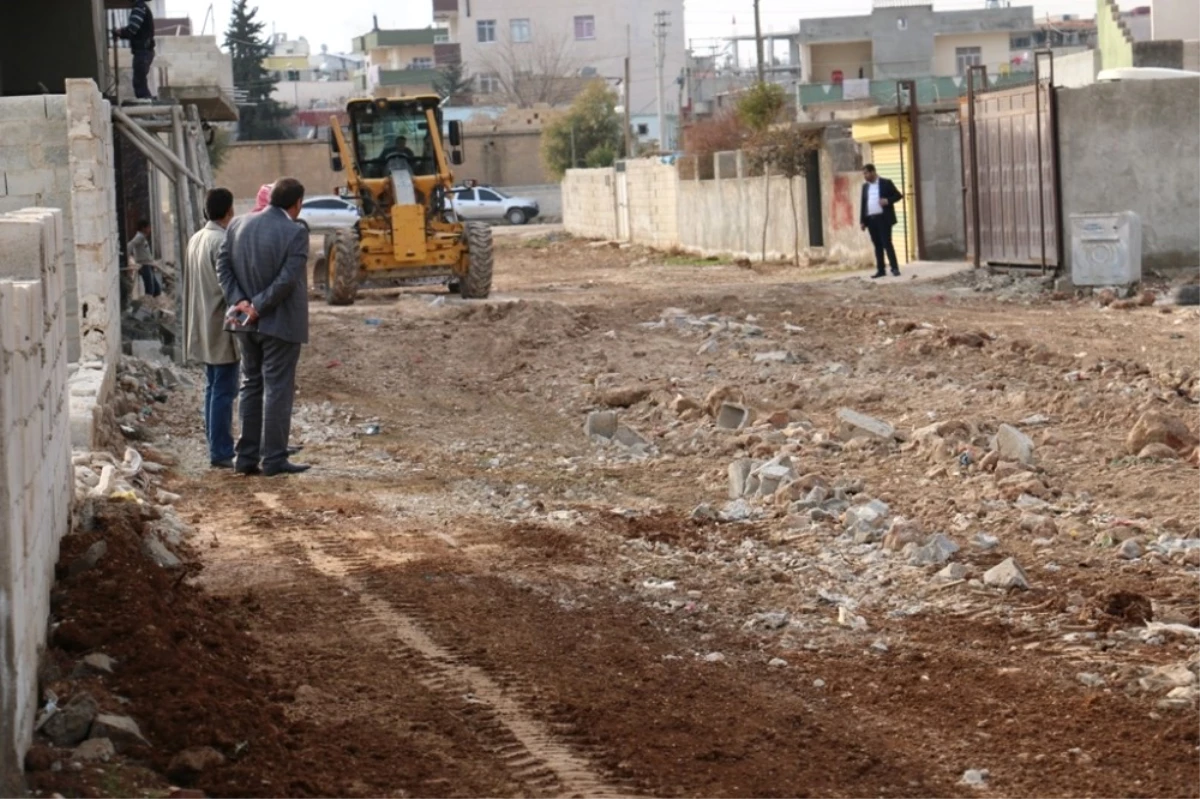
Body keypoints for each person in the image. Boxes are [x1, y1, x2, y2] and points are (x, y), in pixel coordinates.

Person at [216, 178, 311, 477]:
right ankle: (273, 460)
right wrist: (257, 306)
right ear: (296, 204)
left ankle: (245, 459)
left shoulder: (237, 224)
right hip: (278, 324)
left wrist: (240, 302)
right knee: (277, 390)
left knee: (251, 385)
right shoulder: (295, 232)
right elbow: (286, 280)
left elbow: (223, 267)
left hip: (244, 325)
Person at [183, 188, 240, 469]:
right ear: (228, 211)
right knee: (223, 390)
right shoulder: (222, 241)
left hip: (203, 324)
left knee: (213, 386)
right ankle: (220, 451)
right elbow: (229, 288)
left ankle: (215, 444)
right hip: (220, 326)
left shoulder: (196, 238)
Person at [859, 163, 904, 279]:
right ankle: (881, 270)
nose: (865, 176)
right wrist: (862, 221)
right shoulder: (865, 187)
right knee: (877, 245)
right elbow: (863, 204)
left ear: (873, 172)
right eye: (864, 174)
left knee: (887, 243)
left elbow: (898, 195)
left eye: (866, 173)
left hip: (884, 219)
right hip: (871, 219)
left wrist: (888, 201)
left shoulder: (886, 183)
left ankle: (894, 268)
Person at [117, 0, 156, 101]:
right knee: (140, 82)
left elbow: (132, 29)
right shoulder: (141, 7)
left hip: (143, 52)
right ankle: (149, 106)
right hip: (144, 51)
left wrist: (120, 33)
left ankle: (148, 107)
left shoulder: (139, 8)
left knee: (139, 83)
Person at [128, 220, 162, 297]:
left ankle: (155, 304)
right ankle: (148, 305)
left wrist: (152, 263)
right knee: (150, 288)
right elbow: (130, 245)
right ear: (143, 228)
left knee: (156, 289)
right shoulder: (139, 237)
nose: (150, 229)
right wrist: (127, 257)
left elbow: (146, 253)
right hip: (144, 265)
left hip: (148, 264)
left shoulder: (142, 237)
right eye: (148, 227)